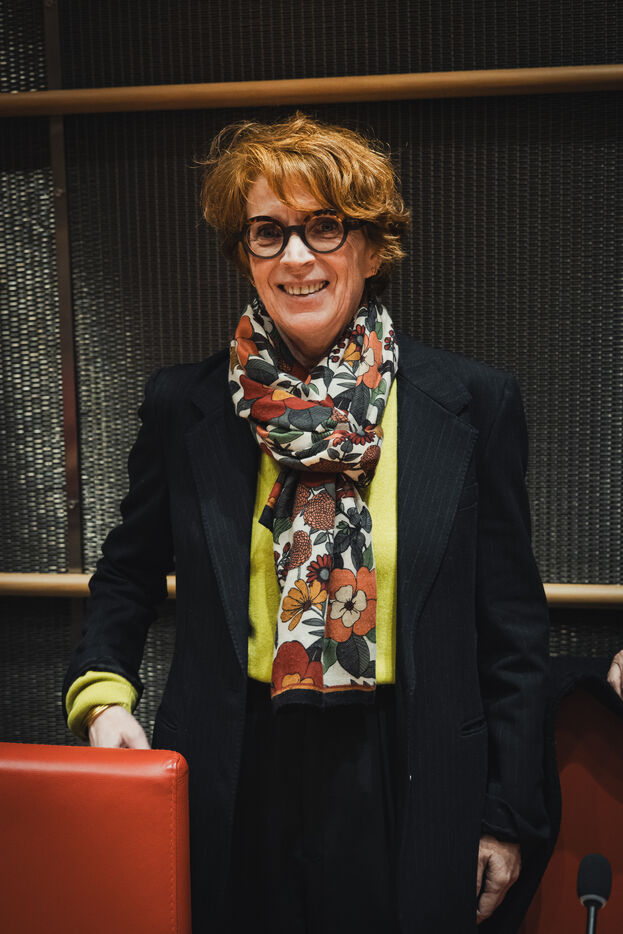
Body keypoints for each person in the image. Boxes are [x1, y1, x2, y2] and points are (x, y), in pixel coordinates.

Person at [63, 113, 549, 933]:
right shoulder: (184, 405)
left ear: (371, 247)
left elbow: (512, 630)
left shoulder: (471, 403)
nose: (296, 257)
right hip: (233, 765)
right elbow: (127, 575)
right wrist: (102, 696)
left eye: (324, 226)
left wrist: (506, 813)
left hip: (407, 769)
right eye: (268, 232)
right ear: (244, 254)